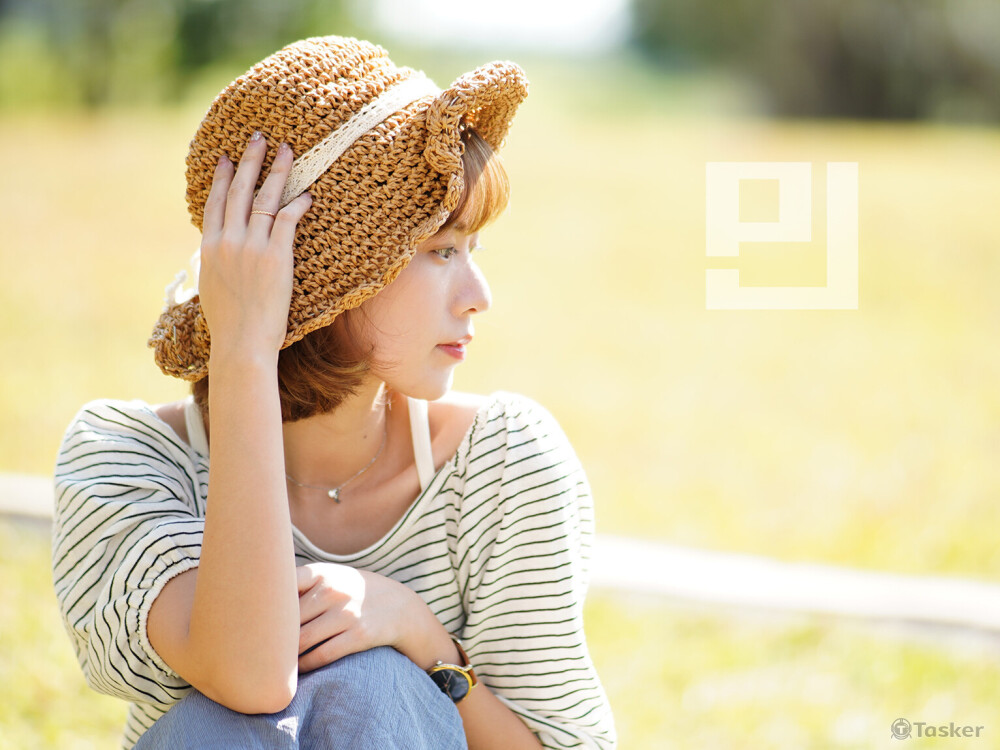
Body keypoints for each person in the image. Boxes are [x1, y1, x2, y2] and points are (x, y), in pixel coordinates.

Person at [52, 36, 616, 750]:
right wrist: (245, 352)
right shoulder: (126, 463)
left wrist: (421, 638)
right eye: (441, 251)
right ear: (320, 272)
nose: (479, 295)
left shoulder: (504, 465)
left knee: (377, 684)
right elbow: (251, 677)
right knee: (224, 714)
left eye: (473, 249)